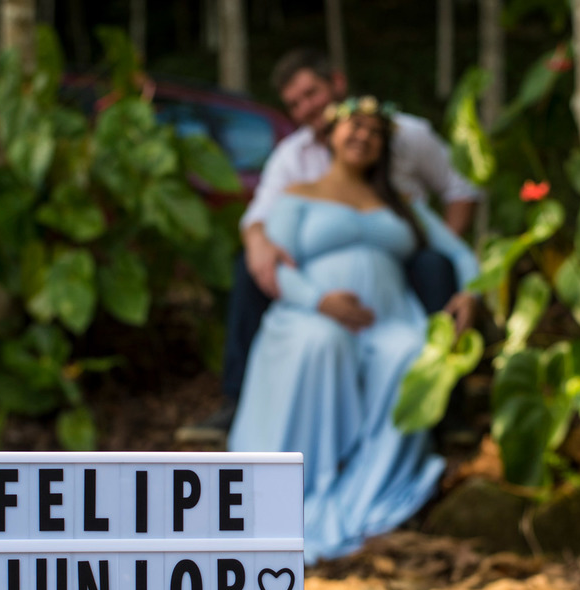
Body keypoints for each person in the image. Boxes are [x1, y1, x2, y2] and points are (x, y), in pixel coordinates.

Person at [176, 48, 479, 444]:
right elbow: (258, 217)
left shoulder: (409, 139)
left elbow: (459, 189)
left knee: (434, 264)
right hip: (317, 277)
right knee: (248, 268)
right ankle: (238, 399)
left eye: (311, 93)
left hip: (401, 257)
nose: (305, 108)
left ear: (337, 83)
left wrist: (431, 242)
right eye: (294, 104)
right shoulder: (293, 160)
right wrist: (260, 245)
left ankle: (446, 407)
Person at [227, 97, 479, 564]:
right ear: (331, 136)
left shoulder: (401, 204)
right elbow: (275, 267)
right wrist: (319, 301)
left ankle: (369, 492)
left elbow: (460, 255)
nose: (363, 136)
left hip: (389, 320)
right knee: (322, 344)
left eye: (374, 132)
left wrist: (470, 293)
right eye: (353, 127)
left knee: (412, 352)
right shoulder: (299, 194)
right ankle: (300, 487)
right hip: (311, 314)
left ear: (384, 146)